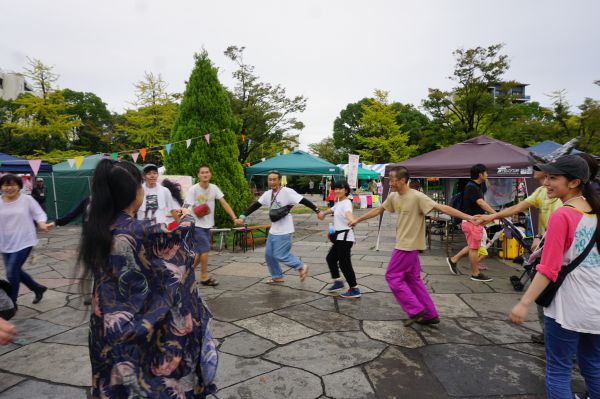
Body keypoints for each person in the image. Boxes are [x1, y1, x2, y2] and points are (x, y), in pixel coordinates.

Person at [81, 159, 217, 398]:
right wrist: (186, 216)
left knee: (116, 385)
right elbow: (182, 240)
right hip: (146, 332)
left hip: (108, 329)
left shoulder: (97, 228)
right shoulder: (141, 231)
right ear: (135, 191)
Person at [508, 155, 599, 399]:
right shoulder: (595, 211)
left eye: (553, 178)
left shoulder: (563, 215)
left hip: (568, 306)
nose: (546, 182)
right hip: (596, 305)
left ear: (574, 183)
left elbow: (548, 268)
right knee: (592, 364)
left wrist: (524, 303)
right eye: (546, 176)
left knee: (559, 369)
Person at [351, 166, 475, 326]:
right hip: (408, 245)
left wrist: (469, 217)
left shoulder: (417, 197)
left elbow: (442, 208)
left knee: (392, 277)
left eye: (393, 180)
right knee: (413, 279)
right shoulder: (394, 197)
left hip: (407, 246)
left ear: (402, 180)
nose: (391, 183)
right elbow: (378, 210)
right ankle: (430, 314)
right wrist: (357, 220)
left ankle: (415, 310)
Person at [236, 170, 324, 283]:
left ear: (279, 180)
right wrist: (243, 216)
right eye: (270, 179)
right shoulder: (267, 194)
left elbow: (304, 201)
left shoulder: (287, 192)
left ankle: (301, 266)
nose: (272, 182)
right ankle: (277, 276)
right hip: (274, 230)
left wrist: (318, 211)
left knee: (280, 255)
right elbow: (256, 205)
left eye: (274, 179)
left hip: (285, 230)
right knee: (269, 255)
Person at [0, 174, 52, 306]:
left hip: (24, 240)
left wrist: (41, 223)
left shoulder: (27, 200)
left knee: (11, 272)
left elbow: (39, 213)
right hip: (5, 243)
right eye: (6, 185)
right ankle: (37, 288)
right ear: (1, 187)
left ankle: (12, 302)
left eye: (13, 185)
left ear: (19, 186)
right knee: (15, 271)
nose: (9, 188)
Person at [185, 165, 238, 287]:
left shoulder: (214, 188)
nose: (205, 174)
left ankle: (187, 273)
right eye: (202, 173)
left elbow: (223, 203)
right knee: (205, 249)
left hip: (208, 225)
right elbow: (187, 206)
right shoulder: (193, 189)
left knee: (200, 252)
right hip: (196, 225)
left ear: (210, 174)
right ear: (198, 175)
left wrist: (234, 217)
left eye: (207, 172)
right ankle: (204, 277)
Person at [446, 164, 496, 282]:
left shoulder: (476, 186)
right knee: (474, 248)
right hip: (472, 222)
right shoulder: (472, 187)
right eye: (486, 173)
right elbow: (481, 203)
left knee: (473, 246)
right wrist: (495, 214)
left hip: (474, 222)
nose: (487, 175)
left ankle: (453, 260)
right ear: (480, 174)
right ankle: (475, 273)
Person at [318, 180, 360, 298]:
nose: (337, 191)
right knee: (331, 258)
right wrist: (323, 213)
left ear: (346, 190)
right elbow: (332, 209)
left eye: (340, 188)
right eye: (335, 189)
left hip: (345, 238)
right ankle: (338, 282)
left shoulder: (346, 203)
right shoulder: (339, 202)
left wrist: (351, 219)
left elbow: (348, 213)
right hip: (339, 238)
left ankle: (354, 289)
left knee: (344, 264)